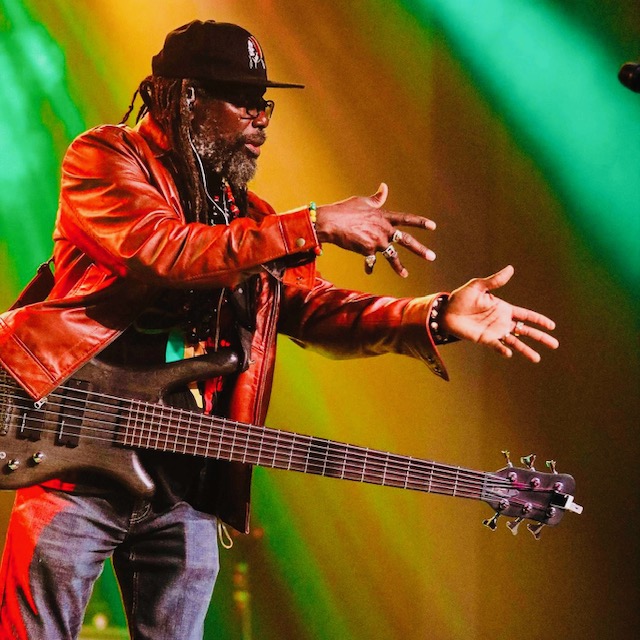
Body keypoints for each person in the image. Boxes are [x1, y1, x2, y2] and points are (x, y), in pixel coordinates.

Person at [0, 20, 558, 640]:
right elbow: (163, 250)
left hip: (183, 477)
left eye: (265, 104)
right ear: (188, 97)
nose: (262, 118)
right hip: (70, 455)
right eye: (245, 101)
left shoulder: (249, 218)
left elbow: (313, 307)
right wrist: (311, 224)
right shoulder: (105, 158)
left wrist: (432, 314)